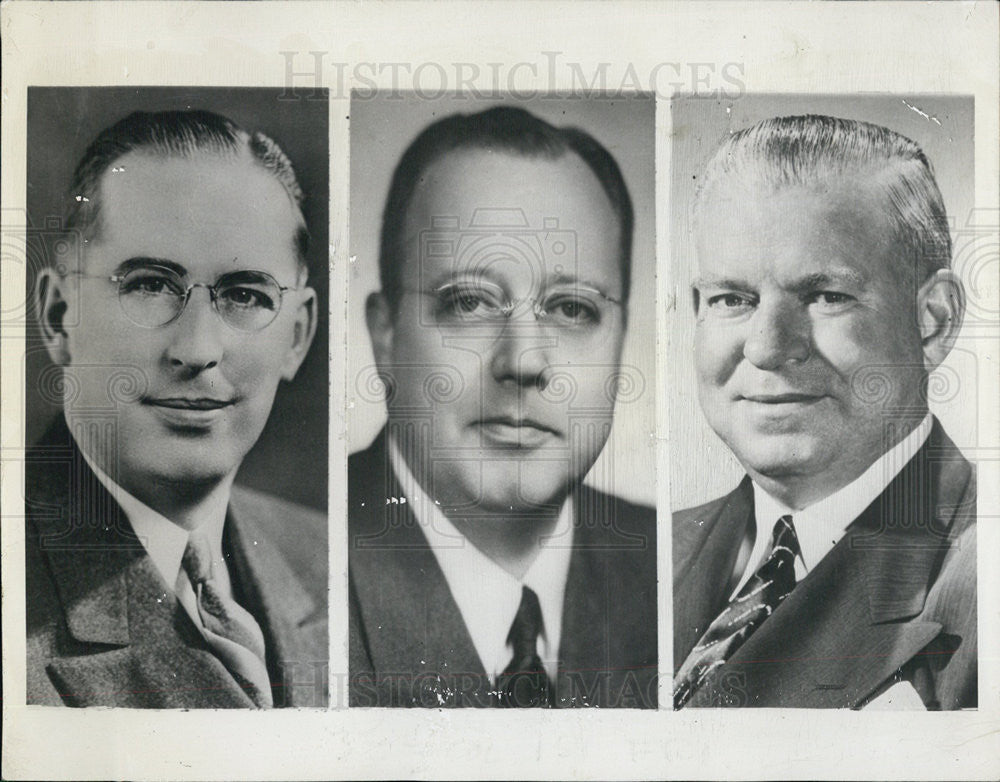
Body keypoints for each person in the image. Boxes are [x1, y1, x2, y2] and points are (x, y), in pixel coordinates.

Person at [349, 106, 657, 708]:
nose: (523, 361)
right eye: (469, 302)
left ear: (622, 337)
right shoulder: (295, 576)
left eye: (572, 309)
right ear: (385, 337)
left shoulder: (685, 578)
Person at [673, 114, 976, 710]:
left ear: (933, 320)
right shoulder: (650, 553)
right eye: (732, 299)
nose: (766, 347)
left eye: (826, 297)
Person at [27, 109, 327, 708]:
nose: (196, 350)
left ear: (297, 336)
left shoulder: (324, 557)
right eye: (148, 284)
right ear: (61, 318)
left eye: (245, 295)